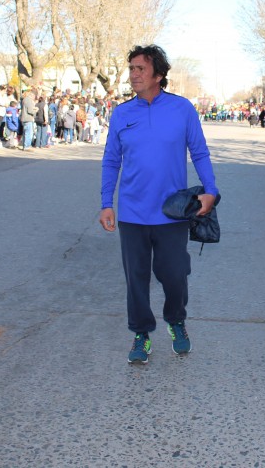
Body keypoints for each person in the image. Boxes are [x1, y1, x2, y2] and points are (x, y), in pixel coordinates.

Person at [99, 45, 218, 365]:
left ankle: (176, 321)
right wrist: (106, 203)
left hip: (172, 212)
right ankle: (141, 333)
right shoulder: (122, 113)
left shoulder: (182, 109)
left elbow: (199, 152)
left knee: (175, 274)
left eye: (140, 68)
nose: (133, 74)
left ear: (159, 75)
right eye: (131, 68)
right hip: (133, 213)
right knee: (135, 279)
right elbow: (111, 161)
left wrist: (211, 191)